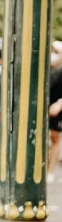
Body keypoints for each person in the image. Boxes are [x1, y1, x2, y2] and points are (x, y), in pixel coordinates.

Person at [48, 40, 62, 183]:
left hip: (56, 111)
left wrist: (59, 103)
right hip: (45, 108)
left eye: (56, 52)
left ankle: (50, 171)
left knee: (54, 138)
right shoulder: (46, 69)